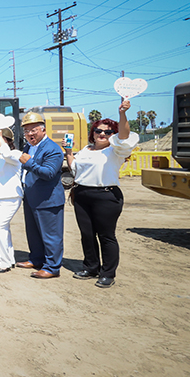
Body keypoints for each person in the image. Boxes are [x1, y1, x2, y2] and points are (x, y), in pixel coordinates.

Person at [64, 100, 138, 288]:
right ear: (93, 133)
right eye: (98, 131)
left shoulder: (116, 150)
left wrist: (122, 113)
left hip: (106, 196)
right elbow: (74, 169)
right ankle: (91, 267)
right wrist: (69, 152)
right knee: (87, 234)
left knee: (106, 235)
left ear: (113, 135)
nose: (102, 134)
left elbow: (124, 135)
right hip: (82, 194)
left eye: (107, 132)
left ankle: (108, 273)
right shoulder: (86, 150)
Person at [16, 111, 65, 279]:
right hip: (31, 197)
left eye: (33, 130)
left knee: (51, 235)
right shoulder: (30, 146)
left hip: (48, 200)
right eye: (26, 131)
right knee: (34, 233)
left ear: (43, 130)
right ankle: (36, 259)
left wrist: (29, 163)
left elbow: (49, 173)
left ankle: (52, 267)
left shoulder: (52, 149)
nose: (30, 134)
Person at [0, 127, 23, 273]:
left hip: (10, 196)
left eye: (0, 139)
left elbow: (6, 153)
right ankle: (9, 258)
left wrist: (1, 137)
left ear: (8, 141)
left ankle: (5, 262)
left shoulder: (14, 153)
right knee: (4, 229)